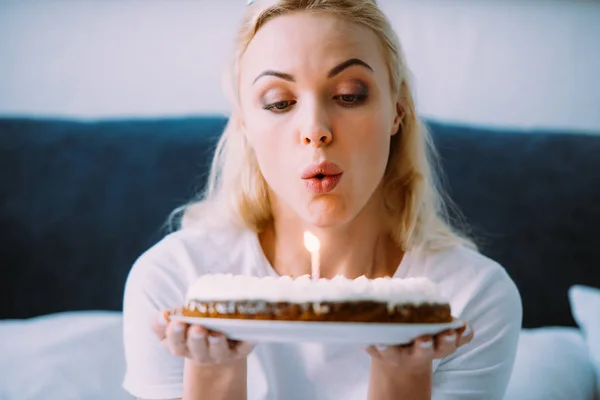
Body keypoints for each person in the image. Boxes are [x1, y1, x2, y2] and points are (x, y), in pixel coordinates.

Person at [122, 0, 522, 399]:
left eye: (349, 95)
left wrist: (403, 377)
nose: (315, 129)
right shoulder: (176, 284)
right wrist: (214, 375)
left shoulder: (470, 298)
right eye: (279, 101)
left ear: (397, 111)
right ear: (246, 125)